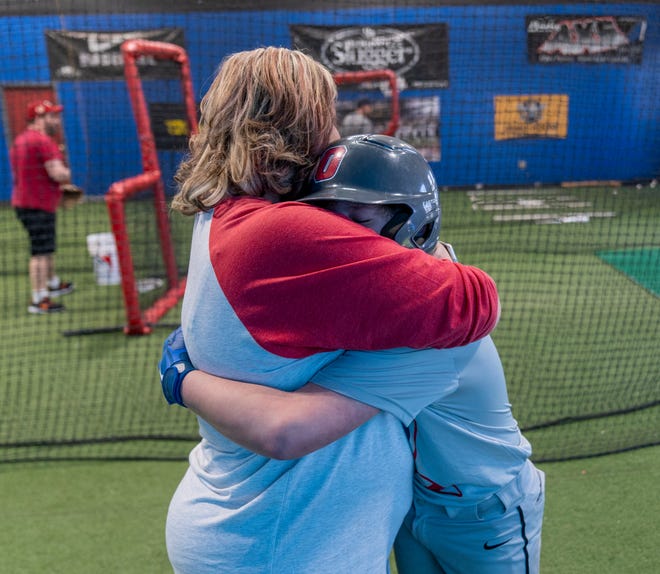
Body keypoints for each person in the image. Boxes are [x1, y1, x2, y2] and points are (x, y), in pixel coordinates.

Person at [164, 46, 500, 574]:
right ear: (305, 125)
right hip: (281, 542)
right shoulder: (284, 234)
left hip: (264, 530)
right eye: (328, 114)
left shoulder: (226, 215)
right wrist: (413, 234)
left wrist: (185, 382)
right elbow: (473, 301)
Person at [11, 99, 74, 314]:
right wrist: (67, 173)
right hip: (36, 206)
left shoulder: (20, 140)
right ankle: (39, 298)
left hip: (28, 203)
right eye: (51, 116)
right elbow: (57, 173)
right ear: (38, 118)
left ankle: (52, 284)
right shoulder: (43, 141)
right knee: (40, 251)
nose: (56, 121)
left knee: (46, 247)